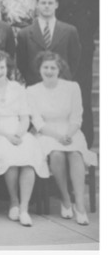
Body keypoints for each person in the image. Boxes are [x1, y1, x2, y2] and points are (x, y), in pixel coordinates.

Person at [0, 50, 48, 227]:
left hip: (19, 130)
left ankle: (24, 209)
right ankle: (14, 201)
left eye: (2, 67)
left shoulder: (18, 88)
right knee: (10, 158)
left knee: (28, 158)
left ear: (7, 68)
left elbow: (25, 117)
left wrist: (19, 133)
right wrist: (8, 136)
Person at [28, 52, 97, 226]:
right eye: (45, 67)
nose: (49, 71)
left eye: (53, 67)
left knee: (75, 154)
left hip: (70, 130)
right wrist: (57, 136)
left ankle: (80, 206)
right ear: (39, 69)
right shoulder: (32, 91)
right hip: (47, 133)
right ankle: (66, 199)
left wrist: (68, 134)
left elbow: (77, 117)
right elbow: (37, 121)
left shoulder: (72, 87)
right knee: (57, 154)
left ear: (60, 70)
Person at [40, 0, 98, 145]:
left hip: (81, 43)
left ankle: (86, 141)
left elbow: (97, 10)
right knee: (57, 93)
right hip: (57, 44)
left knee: (81, 91)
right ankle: (57, 139)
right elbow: (45, 10)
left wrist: (87, 34)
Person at [16, 0, 81, 85]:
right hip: (35, 85)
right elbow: (22, 63)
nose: (47, 6)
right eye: (43, 3)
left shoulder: (70, 31)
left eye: (50, 3)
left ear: (56, 5)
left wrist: (64, 77)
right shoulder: (24, 33)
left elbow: (74, 59)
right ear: (37, 5)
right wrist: (32, 79)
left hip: (62, 84)